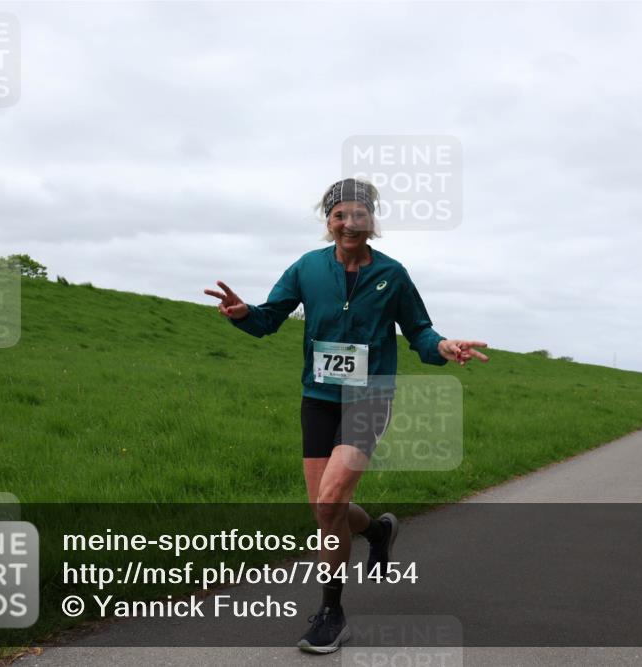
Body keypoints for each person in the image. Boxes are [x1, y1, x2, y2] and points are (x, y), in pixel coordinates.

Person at [205, 178, 489, 654]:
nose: (348, 222)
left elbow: (419, 330)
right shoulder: (307, 268)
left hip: (369, 397)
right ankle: (377, 530)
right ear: (329, 221)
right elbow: (270, 317)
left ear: (371, 221)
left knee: (332, 497)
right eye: (339, 215)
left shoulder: (392, 275)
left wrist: (442, 346)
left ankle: (331, 613)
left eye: (358, 214)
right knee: (324, 509)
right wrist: (242, 314)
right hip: (317, 397)